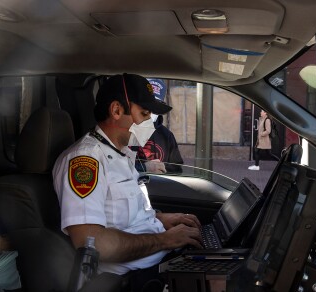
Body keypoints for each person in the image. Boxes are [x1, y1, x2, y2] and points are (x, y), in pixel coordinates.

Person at [52, 73, 203, 291]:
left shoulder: (121, 153)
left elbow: (123, 216)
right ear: (116, 110)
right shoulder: (85, 161)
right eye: (144, 113)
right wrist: (166, 240)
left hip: (159, 261)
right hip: (134, 279)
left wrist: (161, 219)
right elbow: (93, 243)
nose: (149, 121)